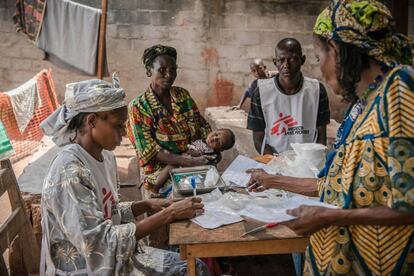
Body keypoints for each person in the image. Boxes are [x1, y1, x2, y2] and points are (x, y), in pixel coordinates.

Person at [247, 0, 414, 274]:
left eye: (318, 57)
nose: (321, 68)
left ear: (336, 51)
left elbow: (408, 205)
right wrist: (273, 179)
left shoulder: (398, 92)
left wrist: (331, 216)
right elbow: (336, 186)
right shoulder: (365, 105)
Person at [39, 77, 209, 275]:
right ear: (92, 121)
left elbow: (108, 211)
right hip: (88, 268)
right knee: (193, 270)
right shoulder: (69, 171)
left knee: (195, 267)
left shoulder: (106, 159)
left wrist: (148, 205)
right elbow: (98, 243)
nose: (123, 133)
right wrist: (169, 214)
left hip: (114, 257)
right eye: (118, 125)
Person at [128, 44, 214, 199]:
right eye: (162, 70)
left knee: (214, 197)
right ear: (149, 71)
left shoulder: (182, 95)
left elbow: (202, 127)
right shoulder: (139, 106)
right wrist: (187, 161)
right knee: (184, 202)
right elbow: (149, 151)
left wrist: (212, 149)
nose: (169, 75)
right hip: (161, 172)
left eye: (173, 70)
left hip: (194, 160)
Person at [247, 38, 330, 155]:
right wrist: (275, 162)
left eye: (293, 59)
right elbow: (258, 139)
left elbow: (321, 135)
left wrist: (314, 160)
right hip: (275, 161)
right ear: (275, 62)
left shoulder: (317, 90)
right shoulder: (261, 92)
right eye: (281, 60)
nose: (286, 65)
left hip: (308, 162)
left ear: (302, 60)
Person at [154, 128, 236, 189]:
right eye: (216, 134)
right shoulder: (201, 140)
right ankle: (156, 186)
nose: (214, 138)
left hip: (193, 172)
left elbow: (205, 161)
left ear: (220, 149)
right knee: (170, 167)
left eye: (218, 142)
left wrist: (192, 154)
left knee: (177, 177)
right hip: (182, 163)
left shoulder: (215, 154)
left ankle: (160, 188)